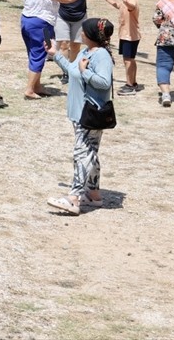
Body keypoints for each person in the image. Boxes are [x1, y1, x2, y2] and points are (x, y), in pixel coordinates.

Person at [45, 18, 115, 216]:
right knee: (89, 152)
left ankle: (74, 198)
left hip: (90, 113)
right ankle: (93, 195)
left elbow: (103, 82)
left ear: (92, 34)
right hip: (79, 112)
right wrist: (56, 55)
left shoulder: (101, 56)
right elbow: (72, 71)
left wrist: (85, 72)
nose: (81, 34)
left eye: (84, 32)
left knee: (81, 154)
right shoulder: (86, 52)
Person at [103, 0, 142, 95]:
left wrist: (126, 1)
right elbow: (118, 5)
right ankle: (133, 83)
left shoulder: (132, 0)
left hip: (129, 36)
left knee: (128, 61)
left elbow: (131, 6)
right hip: (127, 35)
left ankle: (129, 86)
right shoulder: (127, 0)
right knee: (131, 59)